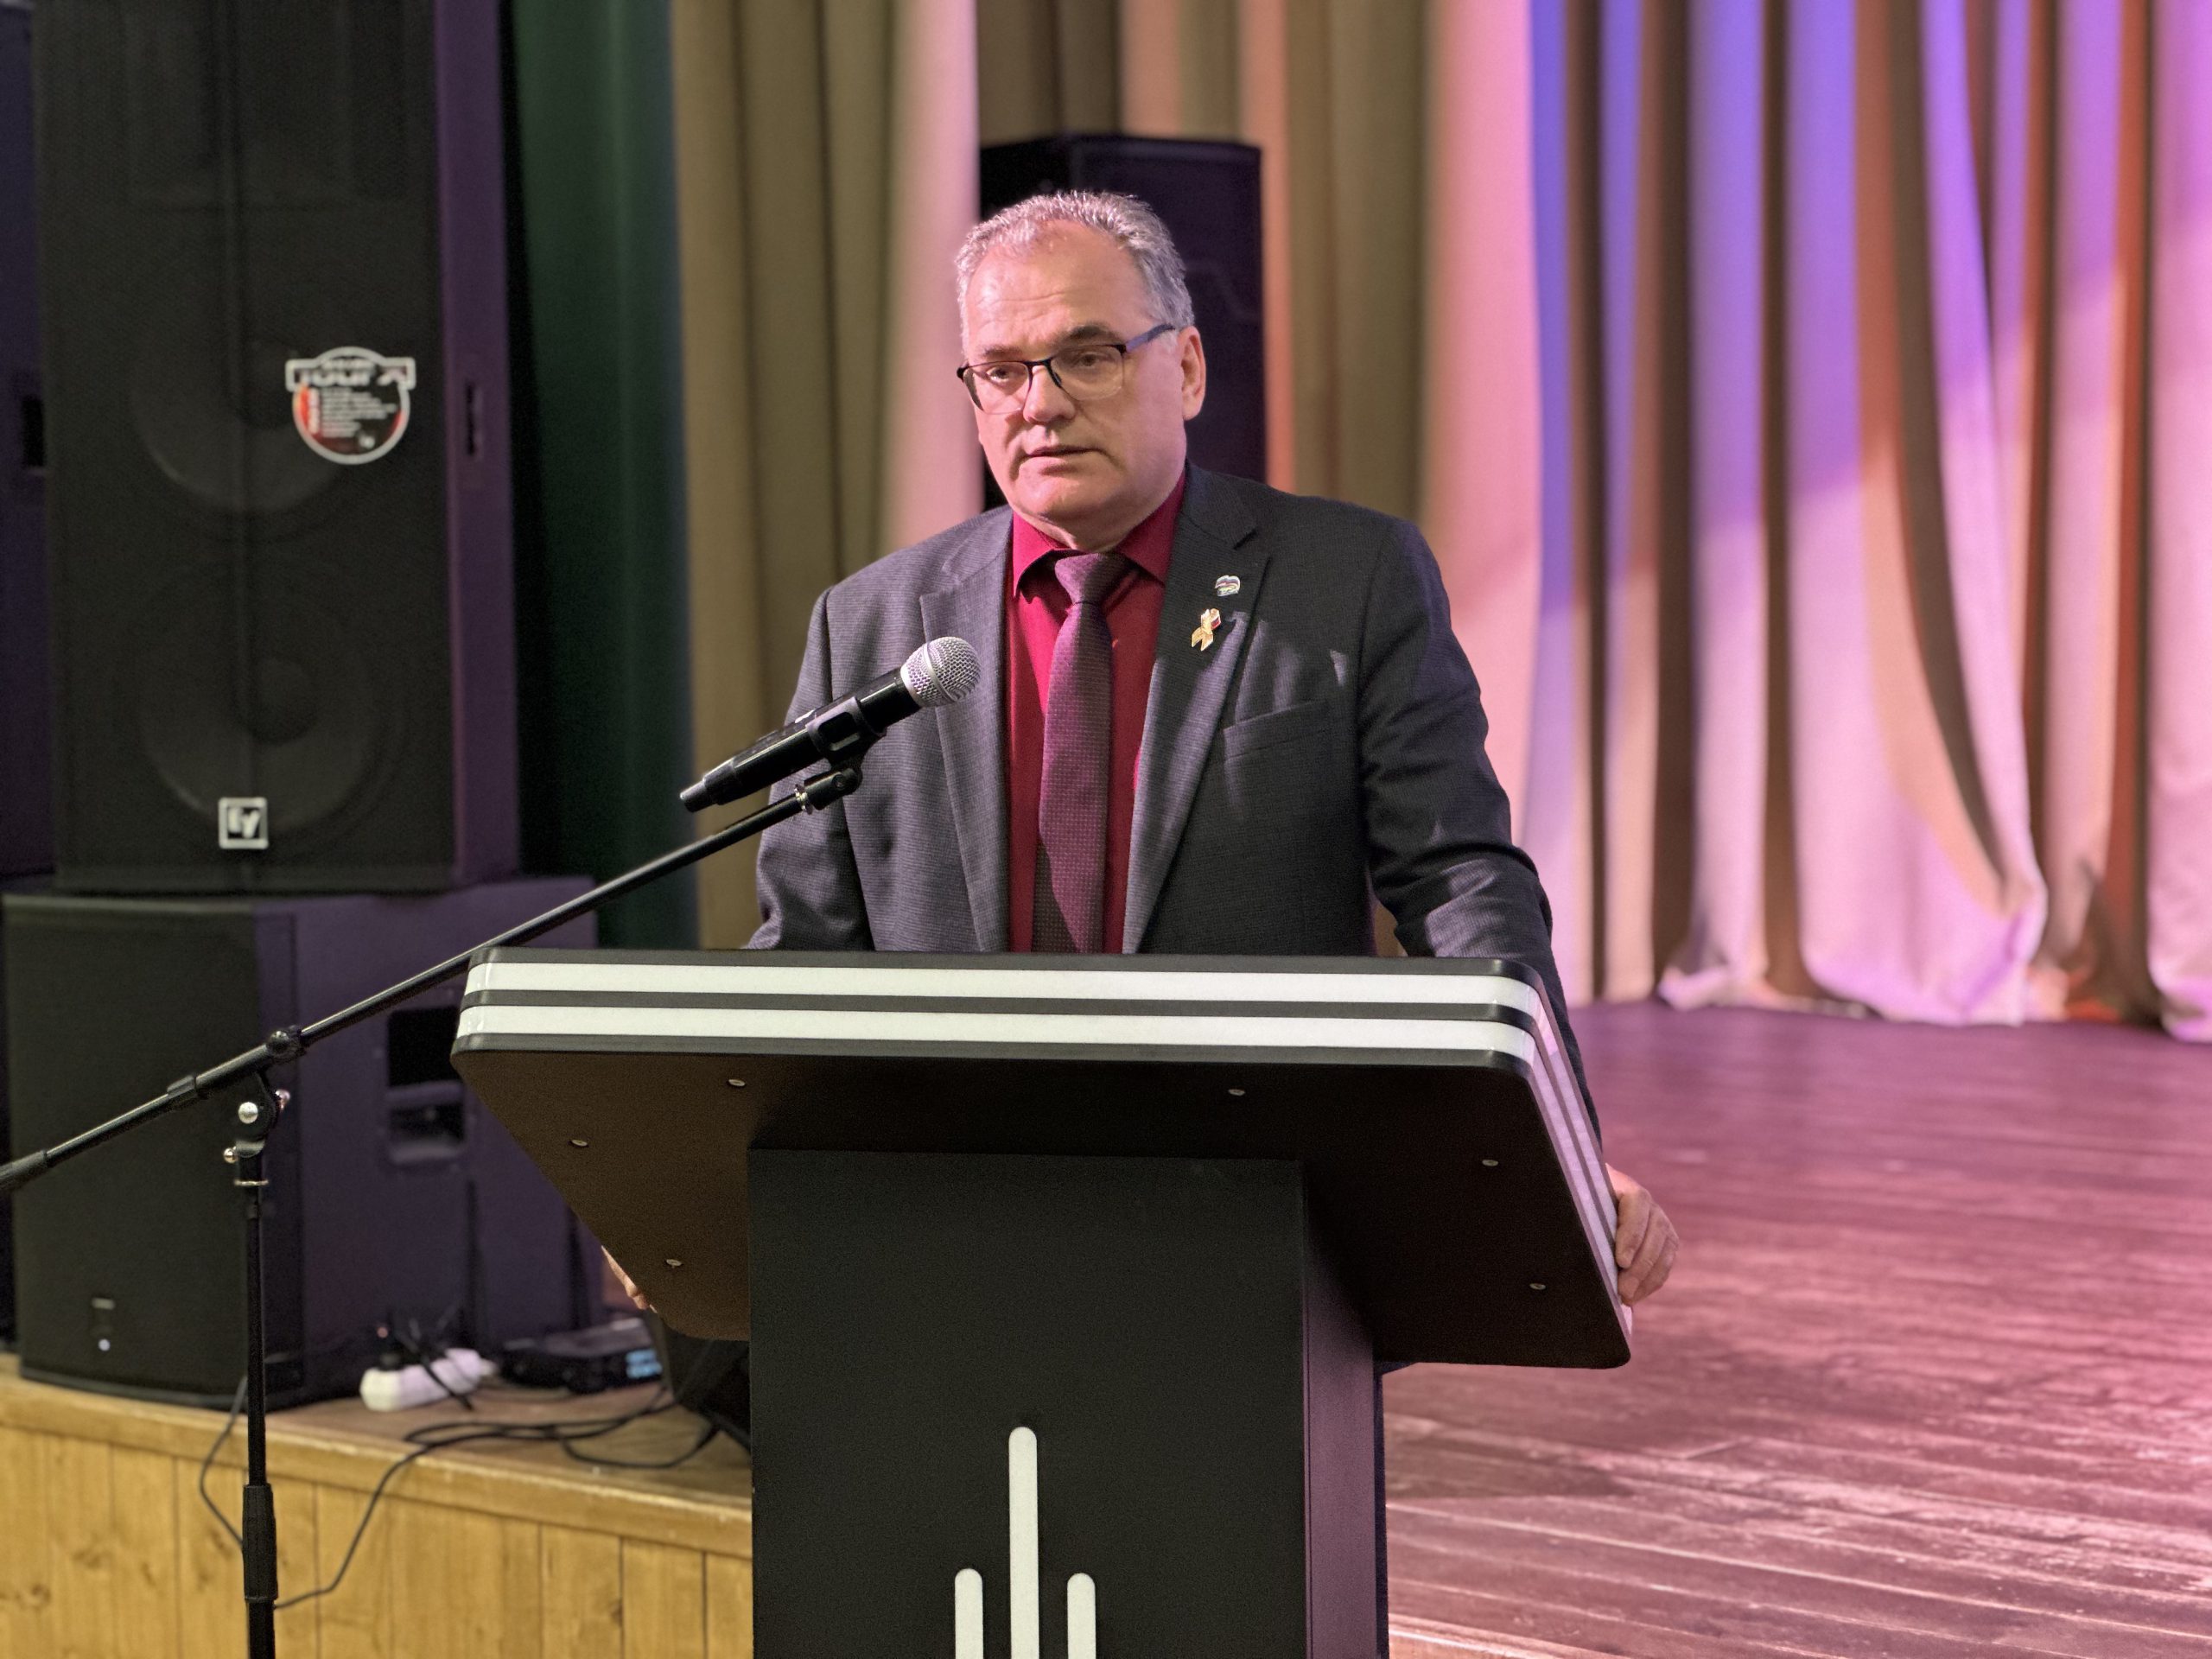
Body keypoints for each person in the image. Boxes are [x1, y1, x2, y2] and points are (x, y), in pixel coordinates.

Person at [621, 188, 1678, 1641]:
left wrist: (1551, 1135)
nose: (1039, 402)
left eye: (1084, 354)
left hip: (1237, 1225)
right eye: (1002, 369)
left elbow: (1459, 882)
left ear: (1183, 365)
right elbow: (806, 958)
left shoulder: (1345, 583)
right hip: (939, 1235)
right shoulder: (875, 628)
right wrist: (695, 1191)